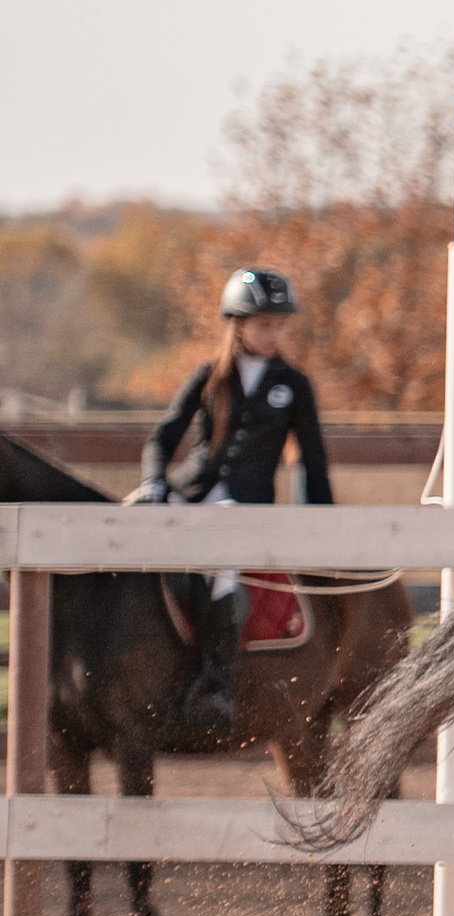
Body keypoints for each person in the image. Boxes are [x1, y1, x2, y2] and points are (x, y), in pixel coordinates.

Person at [136, 268, 334, 732]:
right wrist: (152, 483)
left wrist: (324, 522)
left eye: (280, 325)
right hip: (191, 493)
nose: (274, 334)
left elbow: (314, 460)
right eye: (264, 325)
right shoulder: (209, 376)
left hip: (245, 508)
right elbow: (162, 438)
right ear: (238, 325)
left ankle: (216, 681)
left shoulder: (294, 384)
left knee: (221, 563)